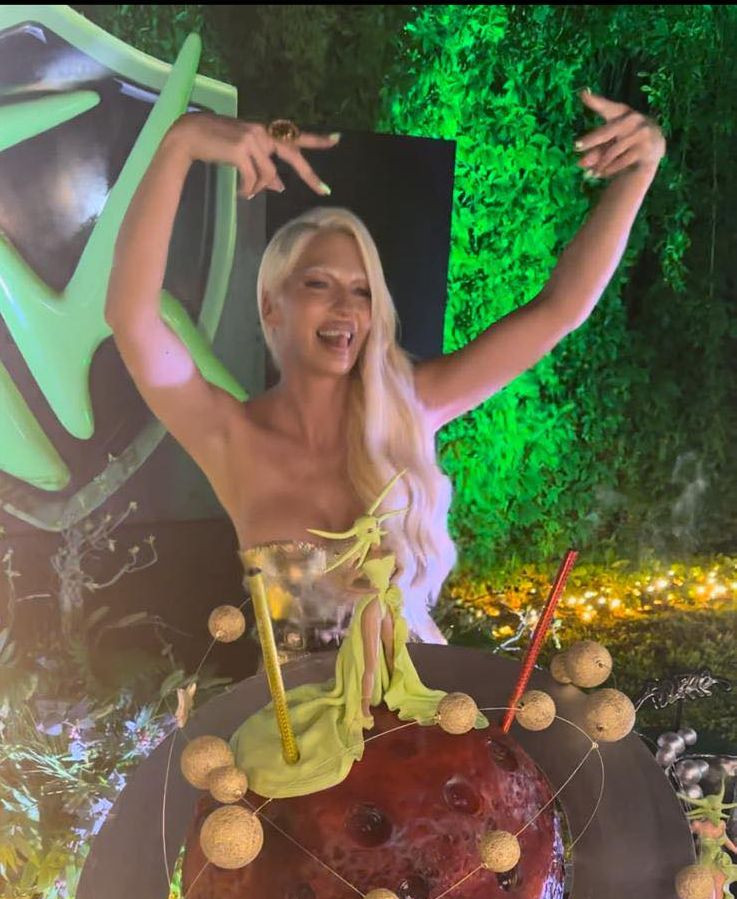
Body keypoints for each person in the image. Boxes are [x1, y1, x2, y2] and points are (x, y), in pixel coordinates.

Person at [105, 92, 665, 653]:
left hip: (423, 701)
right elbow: (131, 318)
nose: (346, 308)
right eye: (319, 284)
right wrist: (179, 144)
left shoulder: (411, 405)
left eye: (363, 291)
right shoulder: (230, 436)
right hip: (295, 711)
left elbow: (558, 311)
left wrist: (639, 171)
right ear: (271, 306)